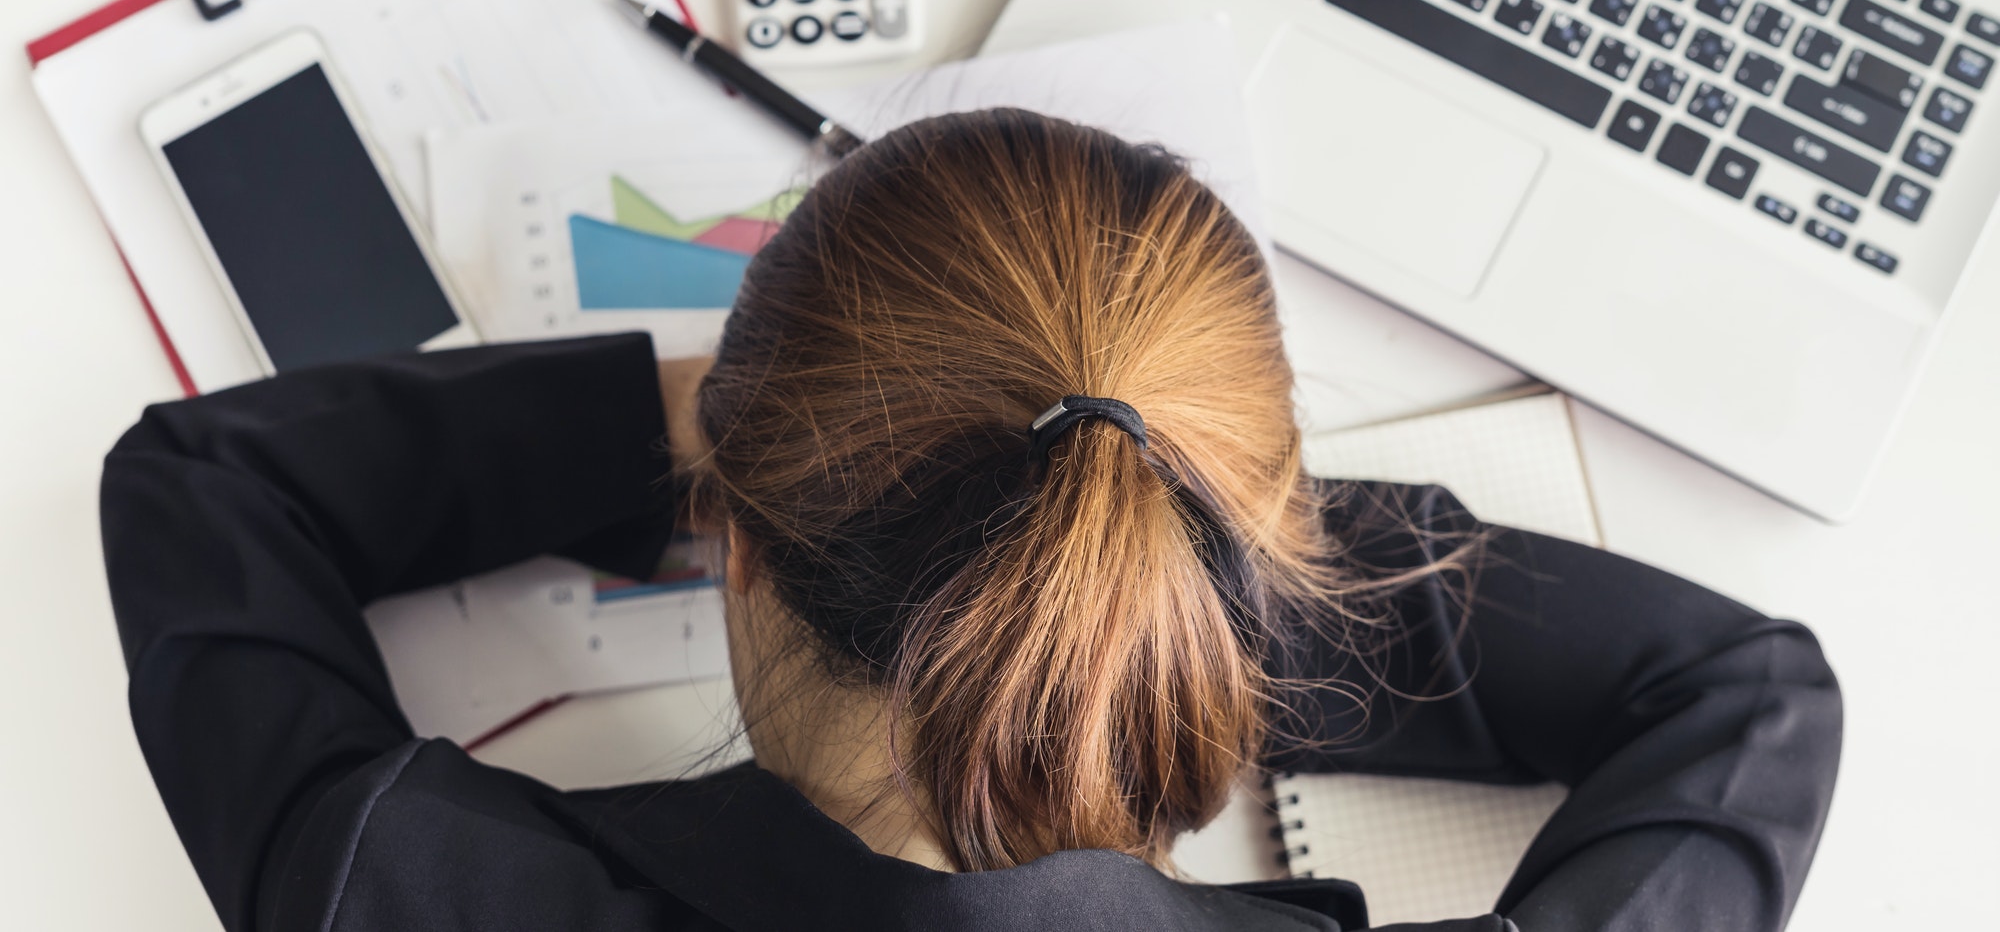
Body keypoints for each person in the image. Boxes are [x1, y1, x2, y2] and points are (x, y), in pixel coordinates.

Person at [102, 109, 1840, 932]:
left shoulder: (399, 895)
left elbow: (208, 488)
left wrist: (727, 401)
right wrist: (1173, 539)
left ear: (737, 535)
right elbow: (1745, 699)